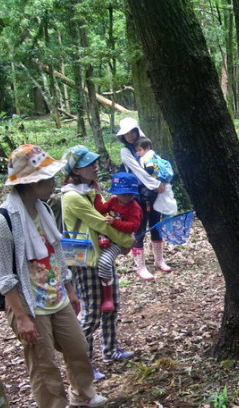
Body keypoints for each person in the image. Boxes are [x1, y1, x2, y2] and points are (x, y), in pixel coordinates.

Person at [0, 145, 107, 408]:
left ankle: (83, 394)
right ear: (31, 182)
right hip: (28, 302)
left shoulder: (43, 208)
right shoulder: (3, 220)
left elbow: (57, 251)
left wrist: (70, 288)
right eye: (47, 177)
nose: (53, 182)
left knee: (78, 347)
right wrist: (21, 317)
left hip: (56, 293)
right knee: (43, 362)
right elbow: (4, 276)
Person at [61, 145, 136, 371]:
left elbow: (106, 217)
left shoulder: (90, 192)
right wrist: (127, 241)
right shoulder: (72, 197)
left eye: (94, 163)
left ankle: (110, 350)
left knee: (111, 307)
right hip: (86, 262)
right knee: (92, 314)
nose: (95, 167)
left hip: (102, 256)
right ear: (75, 170)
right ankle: (83, 365)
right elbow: (100, 223)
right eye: (88, 164)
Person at [116, 117, 171, 280]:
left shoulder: (145, 146)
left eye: (131, 132)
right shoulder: (126, 151)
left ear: (136, 131)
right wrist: (156, 184)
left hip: (153, 193)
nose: (129, 136)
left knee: (156, 224)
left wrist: (161, 184)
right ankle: (140, 266)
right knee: (139, 227)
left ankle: (159, 260)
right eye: (126, 134)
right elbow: (138, 171)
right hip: (137, 194)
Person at [93, 172, 142, 312]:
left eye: (130, 194)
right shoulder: (113, 201)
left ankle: (108, 296)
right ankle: (103, 238)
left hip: (119, 241)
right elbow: (100, 209)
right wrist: (97, 194)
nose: (126, 197)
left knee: (104, 262)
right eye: (123, 194)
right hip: (107, 236)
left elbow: (133, 226)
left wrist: (114, 222)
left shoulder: (134, 207)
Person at [135, 137, 177, 216]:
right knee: (165, 202)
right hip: (162, 181)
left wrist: (145, 178)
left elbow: (150, 169)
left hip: (156, 183)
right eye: (137, 151)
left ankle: (166, 219)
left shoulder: (147, 156)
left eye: (140, 150)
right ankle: (167, 218)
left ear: (147, 148)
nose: (138, 153)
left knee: (158, 205)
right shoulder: (154, 154)